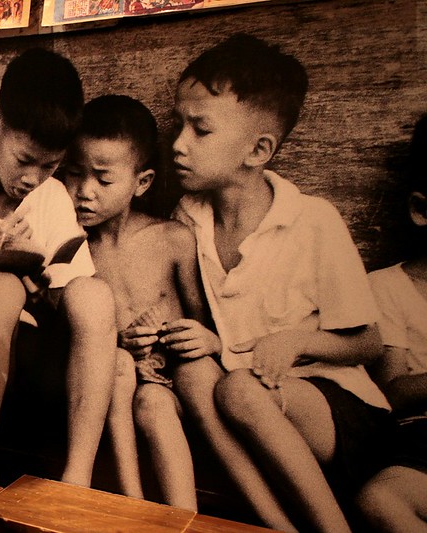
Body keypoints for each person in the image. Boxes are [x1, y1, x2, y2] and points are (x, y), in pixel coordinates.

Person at [167, 33, 391, 532]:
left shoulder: (312, 220)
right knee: (196, 376)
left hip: (338, 411)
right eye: (179, 124)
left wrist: (296, 341)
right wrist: (209, 341)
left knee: (240, 393)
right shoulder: (187, 220)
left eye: (199, 129)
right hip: (247, 396)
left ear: (258, 149)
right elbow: (222, 345)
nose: (177, 143)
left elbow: (369, 343)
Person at [0, 48, 117, 486]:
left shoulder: (51, 196)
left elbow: (71, 284)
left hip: (37, 362)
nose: (33, 179)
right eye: (24, 161)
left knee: (95, 293)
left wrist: (47, 285)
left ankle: (78, 476)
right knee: (1, 285)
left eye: (50, 165)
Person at [64, 94, 213, 509]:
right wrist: (122, 343)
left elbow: (204, 321)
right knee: (118, 365)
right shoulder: (77, 248)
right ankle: (133, 504)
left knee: (154, 406)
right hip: (112, 384)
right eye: (74, 174)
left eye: (103, 180)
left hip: (168, 385)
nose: (84, 192)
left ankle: (185, 520)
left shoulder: (174, 241)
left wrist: (191, 335)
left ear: (142, 183)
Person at [355, 114, 427, 533]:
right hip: (420, 444)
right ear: (421, 210)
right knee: (379, 500)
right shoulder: (386, 287)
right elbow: (393, 393)